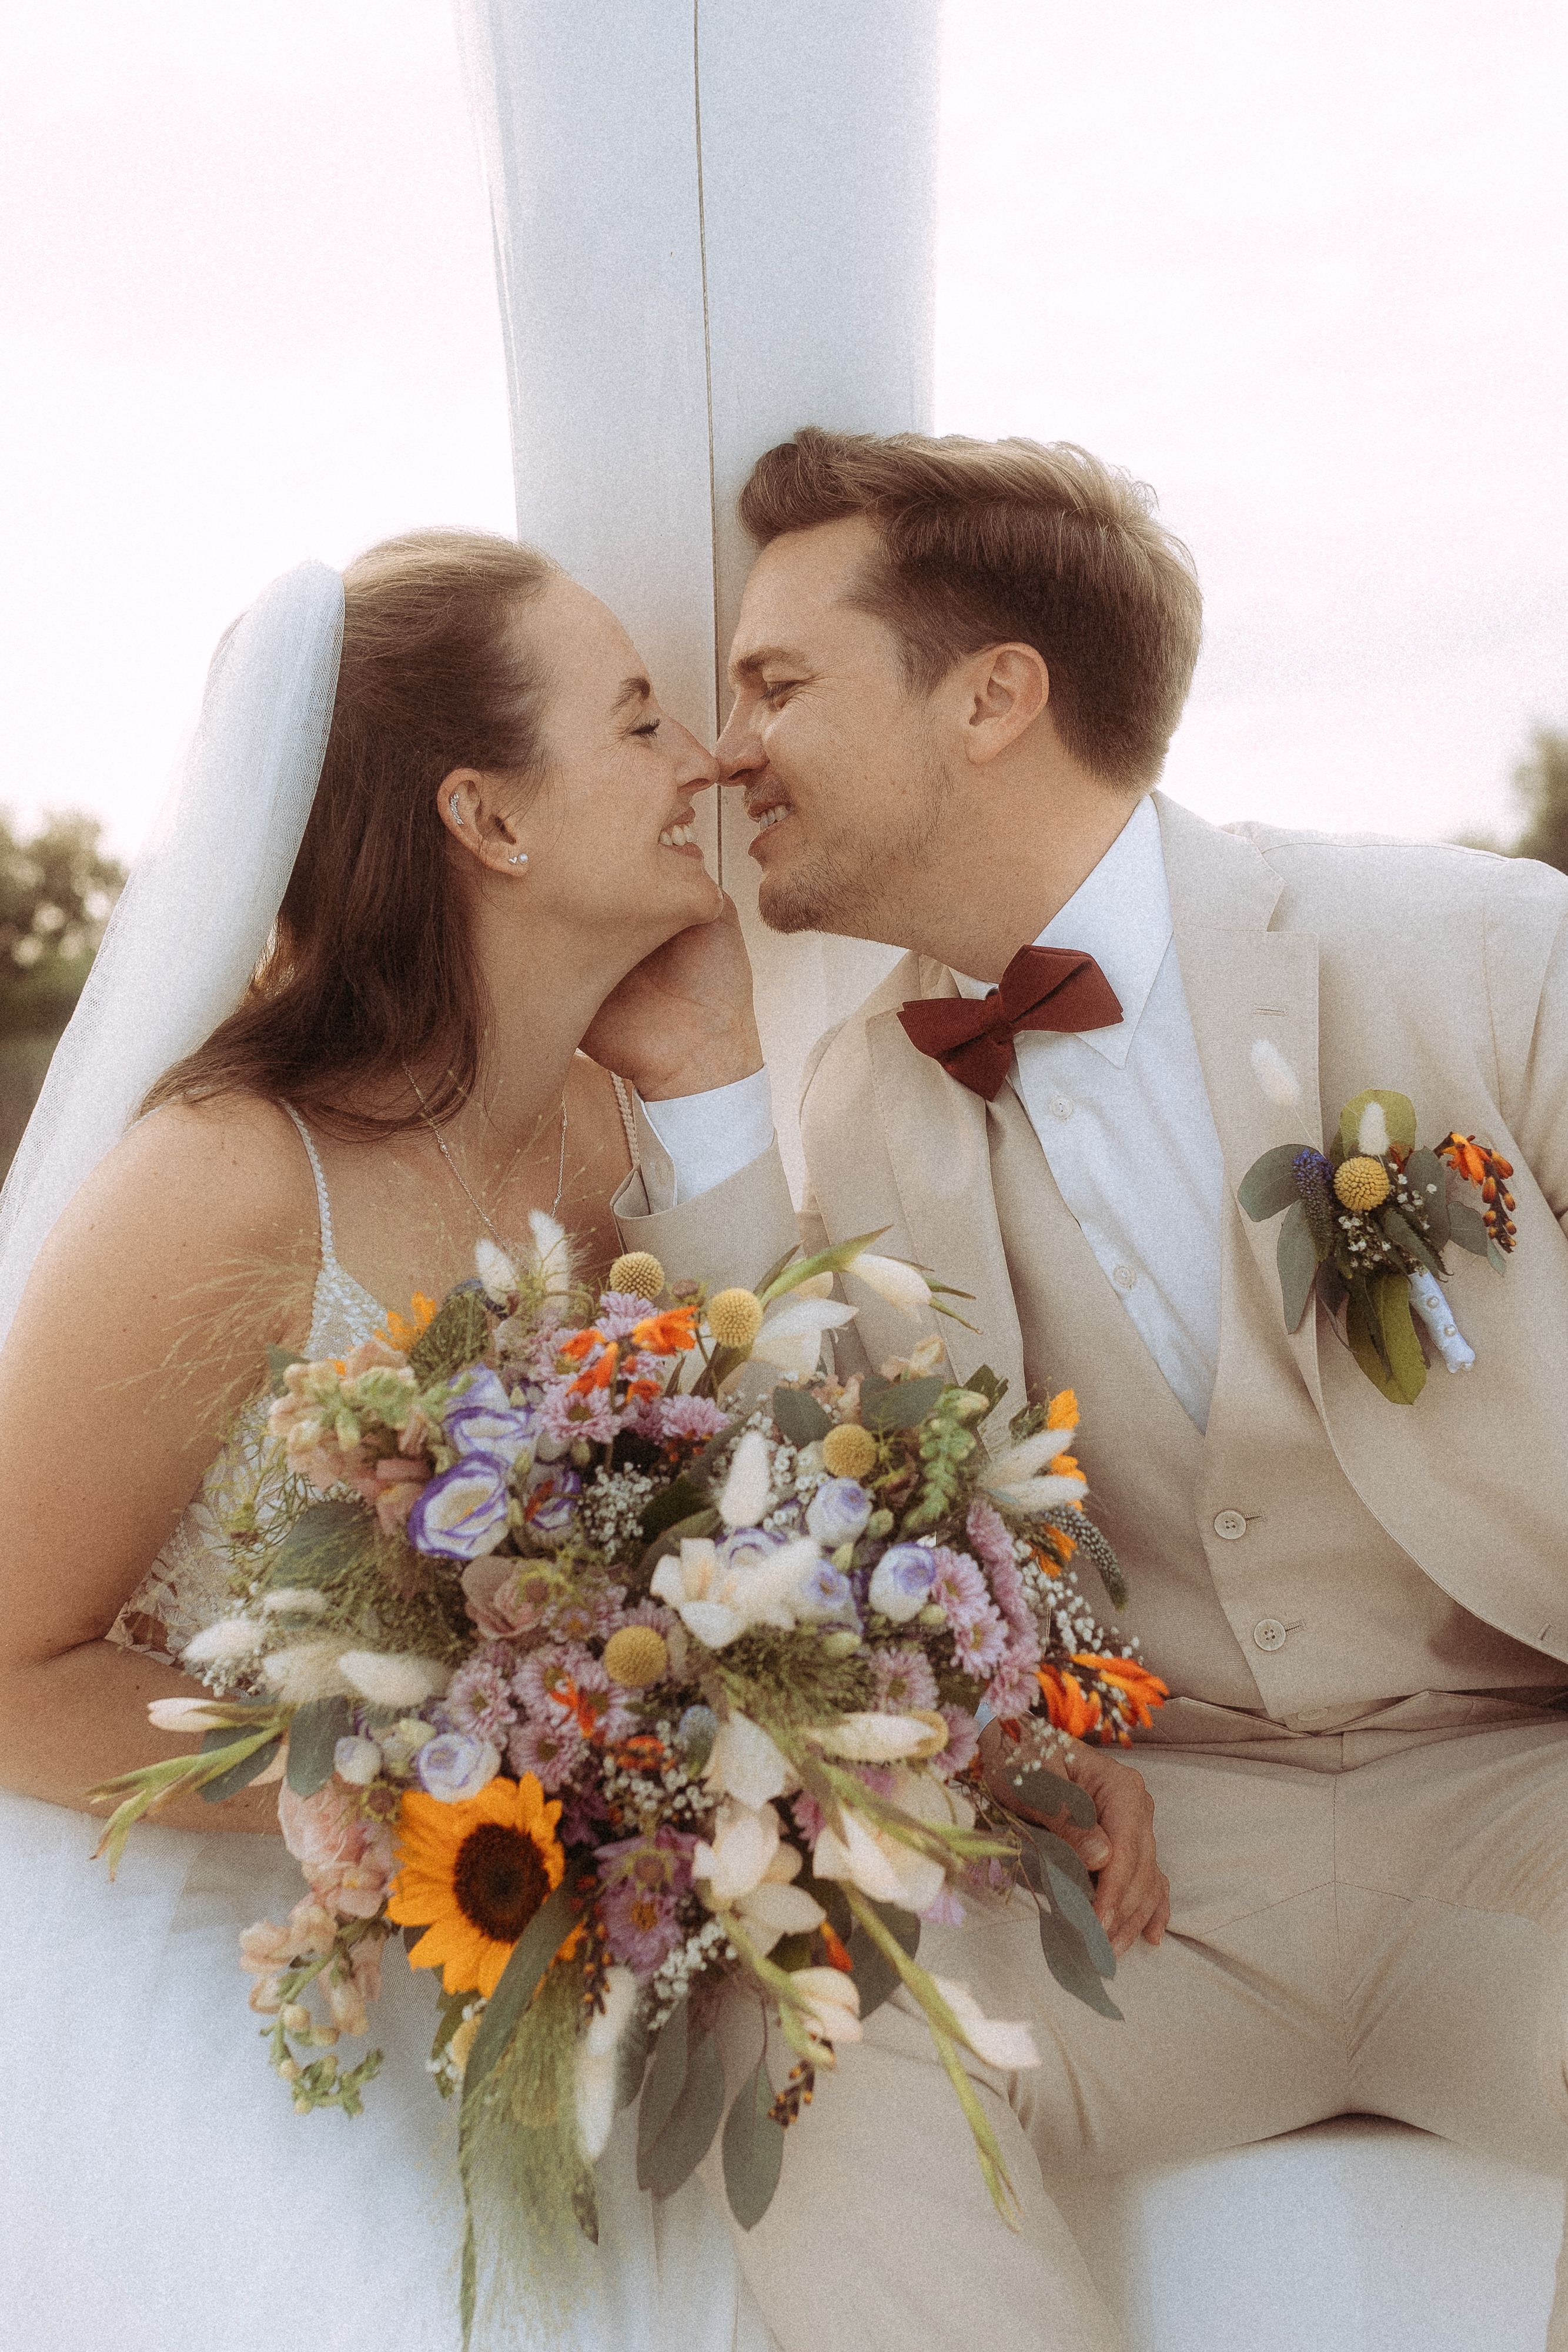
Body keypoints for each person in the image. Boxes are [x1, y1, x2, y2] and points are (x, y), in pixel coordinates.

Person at [606, 427, 1568, 2351]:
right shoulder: (868, 1096)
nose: (723, 757)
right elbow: (813, 1490)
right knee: (809, 2036)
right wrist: (707, 1076)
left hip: (1526, 1802)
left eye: (775, 685)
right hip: (1155, 1859)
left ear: (991, 697)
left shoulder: (1479, 951)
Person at [0, 529, 775, 2352]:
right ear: (486, 821)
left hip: (550, 1917)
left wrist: (723, 1069)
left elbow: (740, 1507)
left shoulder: (607, 1128)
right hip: (223, 1925)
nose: (705, 766)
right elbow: (3, 1661)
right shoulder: (223, 1181)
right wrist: (377, 1780)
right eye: (643, 721)